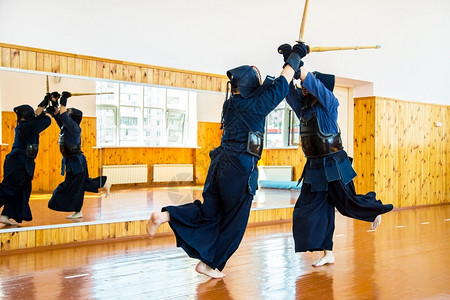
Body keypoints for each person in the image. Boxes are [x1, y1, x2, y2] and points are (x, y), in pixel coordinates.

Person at [146, 44, 308, 278]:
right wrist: (295, 56)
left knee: (208, 214)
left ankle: (166, 215)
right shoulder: (255, 106)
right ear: (250, 86)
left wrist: (290, 58)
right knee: (234, 223)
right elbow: (281, 85)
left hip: (219, 164)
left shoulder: (230, 104)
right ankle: (210, 264)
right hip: (239, 168)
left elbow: (275, 86)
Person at [278, 43, 394, 267]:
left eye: (308, 85)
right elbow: (286, 90)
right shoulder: (304, 109)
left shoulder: (330, 103)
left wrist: (299, 61)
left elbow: (310, 82)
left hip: (333, 163)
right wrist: (288, 57)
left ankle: (375, 210)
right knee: (309, 209)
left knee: (346, 203)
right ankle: (327, 252)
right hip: (313, 167)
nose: (304, 88)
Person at [47, 91, 111, 219]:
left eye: (68, 114)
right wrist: (53, 102)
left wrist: (64, 99)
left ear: (72, 118)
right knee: (82, 184)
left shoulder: (74, 128)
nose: (64, 115)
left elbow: (63, 115)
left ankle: (103, 184)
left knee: (74, 186)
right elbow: (59, 116)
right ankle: (102, 183)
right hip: (73, 161)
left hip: (77, 161)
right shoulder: (66, 127)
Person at [0, 93, 57, 225]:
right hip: (19, 161)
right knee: (10, 187)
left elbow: (37, 113)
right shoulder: (29, 126)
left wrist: (46, 100)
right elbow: (46, 120)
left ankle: (6, 214)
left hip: (22, 162)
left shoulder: (23, 123)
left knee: (22, 189)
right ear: (28, 116)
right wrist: (51, 107)